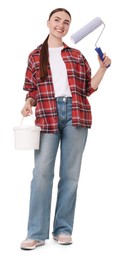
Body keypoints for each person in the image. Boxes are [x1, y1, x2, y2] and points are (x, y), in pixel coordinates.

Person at [20, 7, 111, 250]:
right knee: (41, 174)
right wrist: (28, 103)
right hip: (48, 115)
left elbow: (87, 89)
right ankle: (36, 233)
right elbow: (32, 91)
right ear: (48, 22)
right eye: (57, 20)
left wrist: (102, 68)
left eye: (66, 22)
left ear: (70, 27)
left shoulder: (77, 55)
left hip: (76, 114)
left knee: (70, 176)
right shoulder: (35, 56)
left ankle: (63, 229)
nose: (61, 25)